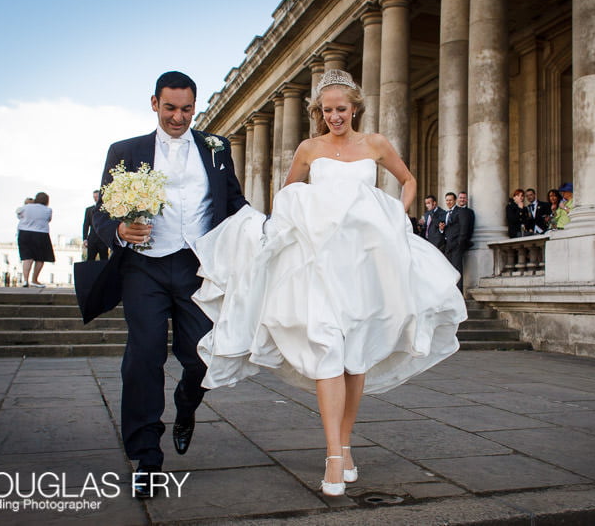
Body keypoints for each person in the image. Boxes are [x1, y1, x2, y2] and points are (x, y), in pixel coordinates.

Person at [190, 69, 466, 497]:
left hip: (365, 265)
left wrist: (395, 215)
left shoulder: (374, 143)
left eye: (341, 109)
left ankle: (346, 443)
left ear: (354, 107)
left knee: (356, 359)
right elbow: (287, 199)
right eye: (327, 110)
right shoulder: (309, 148)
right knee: (327, 351)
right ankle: (334, 455)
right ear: (318, 112)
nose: (334, 116)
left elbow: (408, 180)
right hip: (317, 264)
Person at [90, 71, 247, 499]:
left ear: (194, 107)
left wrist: (261, 230)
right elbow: (100, 210)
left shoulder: (216, 148)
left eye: (187, 109)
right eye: (171, 107)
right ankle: (146, 459)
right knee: (143, 358)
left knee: (202, 357)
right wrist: (120, 229)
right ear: (155, 103)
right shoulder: (126, 151)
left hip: (198, 266)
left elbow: (233, 202)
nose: (179, 117)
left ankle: (186, 405)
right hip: (145, 268)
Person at [16, 192, 55, 287]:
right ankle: (35, 280)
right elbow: (48, 220)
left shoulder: (26, 207)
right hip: (41, 233)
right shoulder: (48, 210)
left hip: (25, 232)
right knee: (40, 258)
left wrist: (29, 204)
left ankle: (25, 280)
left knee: (27, 258)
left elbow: (18, 215)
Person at [441, 191, 474, 292]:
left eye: (450, 200)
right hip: (448, 246)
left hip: (456, 246)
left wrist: (460, 243)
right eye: (447, 200)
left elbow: (464, 229)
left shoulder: (461, 211)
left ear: (455, 200)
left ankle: (458, 294)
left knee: (457, 271)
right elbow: (447, 229)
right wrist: (442, 229)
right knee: (448, 271)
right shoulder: (446, 213)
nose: (449, 202)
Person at [83, 190, 109, 260]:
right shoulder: (89, 210)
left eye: (97, 197)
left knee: (104, 260)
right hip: (92, 239)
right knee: (90, 260)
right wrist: (85, 239)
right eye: (94, 197)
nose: (95, 198)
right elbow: (86, 224)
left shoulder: (107, 209)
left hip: (103, 239)